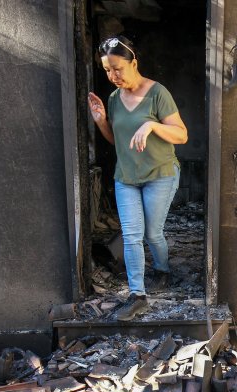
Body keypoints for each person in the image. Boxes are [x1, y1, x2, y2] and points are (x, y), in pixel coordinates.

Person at [88, 36, 188, 321]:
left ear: (134, 63)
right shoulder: (113, 99)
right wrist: (101, 121)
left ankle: (162, 270)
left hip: (160, 174)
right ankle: (137, 295)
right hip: (127, 177)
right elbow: (117, 141)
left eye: (117, 68)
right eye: (107, 70)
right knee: (132, 235)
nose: (112, 76)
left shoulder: (158, 93)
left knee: (152, 233)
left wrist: (152, 125)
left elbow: (182, 135)